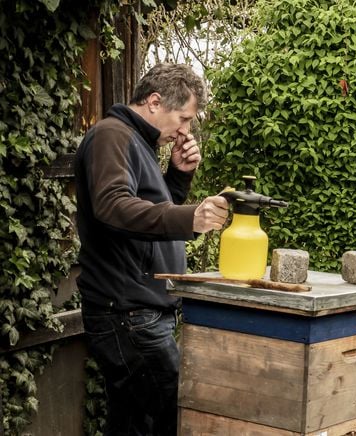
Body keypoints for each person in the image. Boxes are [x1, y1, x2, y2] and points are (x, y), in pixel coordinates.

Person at [75, 63, 229, 435]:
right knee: (170, 413)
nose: (186, 131)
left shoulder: (137, 144)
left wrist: (177, 176)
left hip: (137, 311)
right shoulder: (112, 135)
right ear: (155, 101)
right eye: (184, 118)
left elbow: (147, 224)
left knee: (133, 422)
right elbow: (112, 208)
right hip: (126, 313)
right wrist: (190, 216)